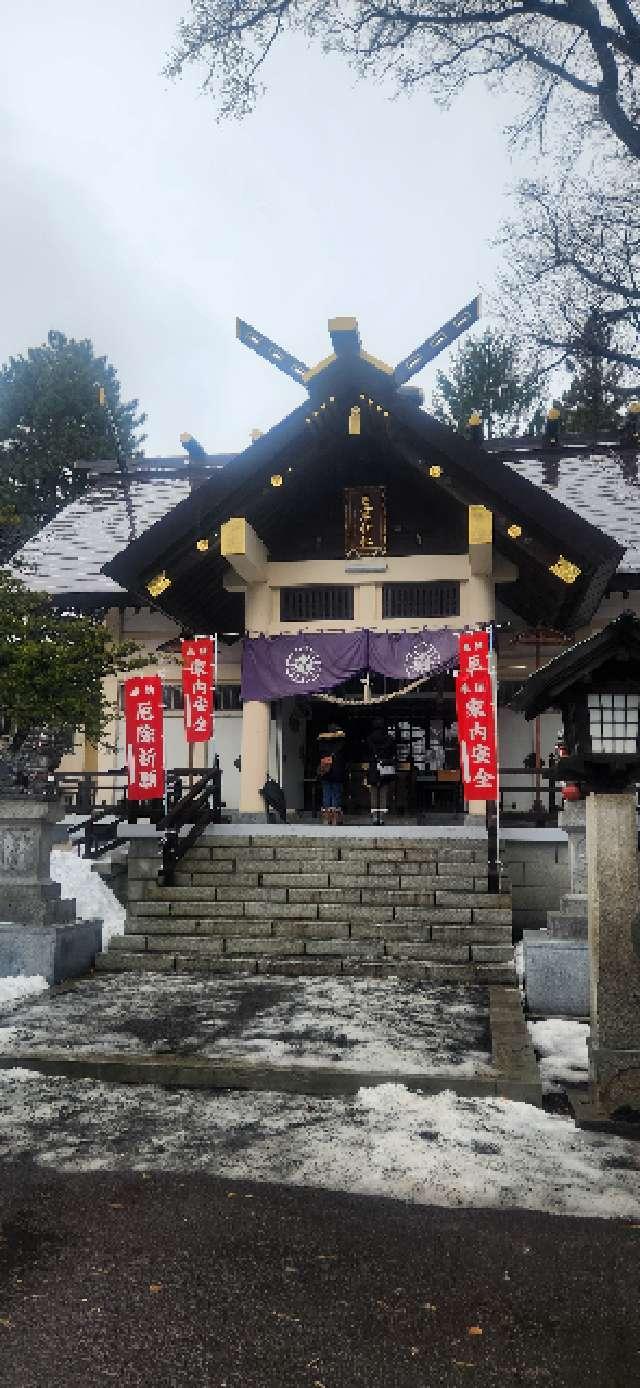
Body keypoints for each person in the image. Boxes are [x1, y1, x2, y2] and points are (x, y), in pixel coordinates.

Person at [366, 716, 396, 821]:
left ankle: (374, 816)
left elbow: (367, 753)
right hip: (385, 767)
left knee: (374, 793)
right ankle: (382, 817)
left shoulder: (369, 739)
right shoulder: (389, 739)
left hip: (374, 767)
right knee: (384, 793)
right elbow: (393, 754)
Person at [317, 723, 346, 825]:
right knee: (336, 795)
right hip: (337, 772)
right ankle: (335, 819)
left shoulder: (322, 743)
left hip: (325, 771)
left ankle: (326, 819)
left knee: (326, 795)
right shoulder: (341, 743)